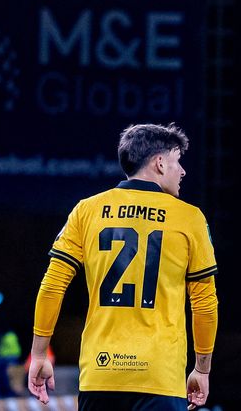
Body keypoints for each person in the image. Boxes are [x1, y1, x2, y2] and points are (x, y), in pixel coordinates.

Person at [27, 123, 219, 411]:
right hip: (160, 376)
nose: (182, 171)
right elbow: (204, 303)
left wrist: (39, 355)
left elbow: (53, 285)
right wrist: (202, 369)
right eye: (177, 161)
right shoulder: (190, 218)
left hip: (101, 374)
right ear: (159, 162)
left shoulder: (86, 210)